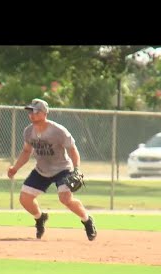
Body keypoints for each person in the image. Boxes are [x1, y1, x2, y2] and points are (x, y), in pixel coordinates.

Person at [7, 98, 97, 241]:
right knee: (25, 199)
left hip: (62, 169)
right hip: (42, 169)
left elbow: (72, 149)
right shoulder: (29, 131)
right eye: (30, 112)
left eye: (35, 112)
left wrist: (77, 169)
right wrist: (15, 168)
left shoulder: (58, 131)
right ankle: (40, 217)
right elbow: (26, 152)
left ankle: (87, 220)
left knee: (65, 199)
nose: (31, 115)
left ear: (44, 113)